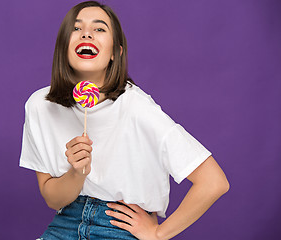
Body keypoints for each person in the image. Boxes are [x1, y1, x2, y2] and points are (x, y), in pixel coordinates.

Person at [19, 1, 230, 239]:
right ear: (63, 46)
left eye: (99, 29)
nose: (86, 33)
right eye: (76, 28)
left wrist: (159, 234)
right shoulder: (40, 106)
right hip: (64, 224)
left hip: (119, 228)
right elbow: (52, 198)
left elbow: (214, 181)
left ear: (115, 53)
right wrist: (77, 173)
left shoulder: (137, 107)